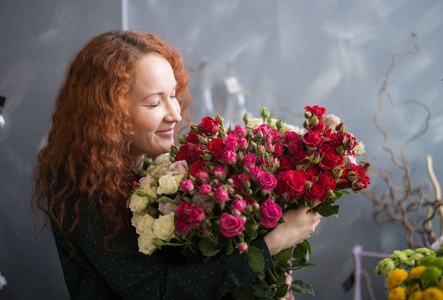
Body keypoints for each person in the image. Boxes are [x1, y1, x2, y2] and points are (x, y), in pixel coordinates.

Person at [31, 30, 322, 299]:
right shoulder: (79, 184)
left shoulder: (164, 165)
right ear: (107, 112)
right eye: (154, 103)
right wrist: (270, 246)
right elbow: (155, 289)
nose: (174, 114)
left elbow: (199, 270)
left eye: (172, 95)